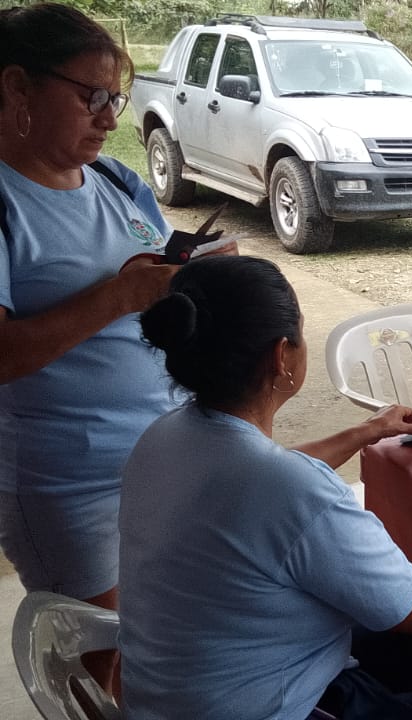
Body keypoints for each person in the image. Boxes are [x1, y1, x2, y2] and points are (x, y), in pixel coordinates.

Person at [119, 256, 412, 720]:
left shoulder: (165, 435)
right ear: (281, 356)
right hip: (262, 709)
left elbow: (269, 477)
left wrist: (367, 431)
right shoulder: (288, 488)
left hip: (173, 698)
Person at [0, 3, 190, 612]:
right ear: (17, 87)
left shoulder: (115, 180)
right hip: (71, 484)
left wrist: (194, 274)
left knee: (166, 627)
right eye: (92, 97)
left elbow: (160, 275)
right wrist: (121, 295)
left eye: (116, 99)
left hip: (166, 455)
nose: (109, 119)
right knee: (100, 651)